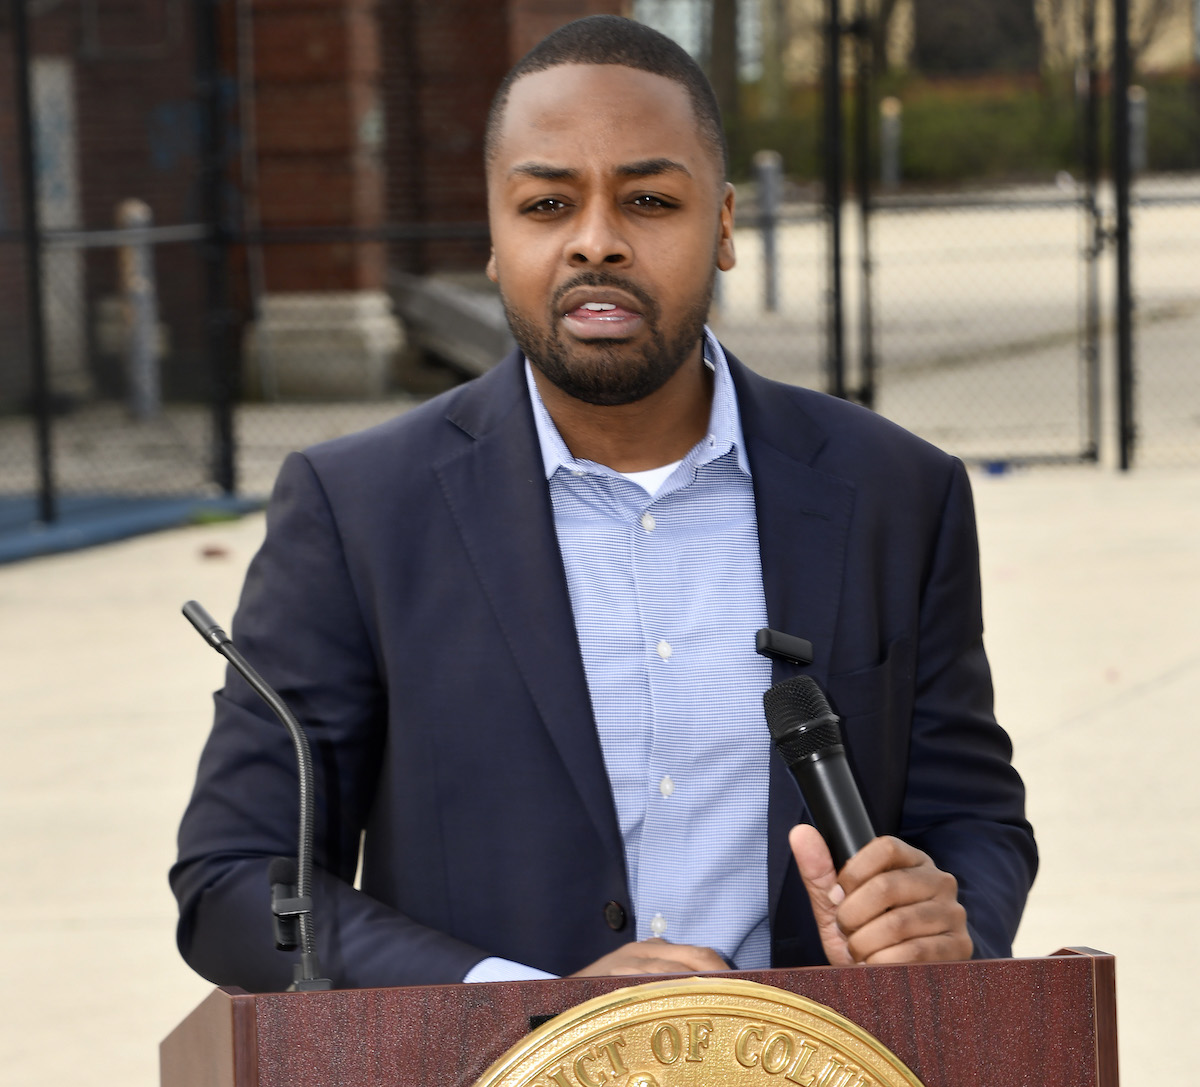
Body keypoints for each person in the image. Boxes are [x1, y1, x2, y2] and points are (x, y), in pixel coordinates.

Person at [171, 16, 1036, 991]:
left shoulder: (894, 491)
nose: (596, 243)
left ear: (722, 226)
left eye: (650, 200)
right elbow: (237, 881)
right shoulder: (357, 510)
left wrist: (941, 914)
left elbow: (973, 818)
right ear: (494, 238)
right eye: (546, 203)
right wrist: (526, 1004)